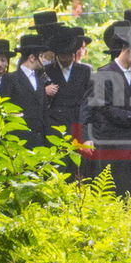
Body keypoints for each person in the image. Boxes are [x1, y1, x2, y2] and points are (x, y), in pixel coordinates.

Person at [81, 22, 131, 211]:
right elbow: (99, 109)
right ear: (127, 48)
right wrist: (86, 138)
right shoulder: (103, 74)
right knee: (114, 192)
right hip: (111, 143)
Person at [42, 23, 93, 172]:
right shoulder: (47, 71)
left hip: (78, 124)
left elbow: (89, 104)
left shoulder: (84, 71)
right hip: (55, 126)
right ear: (57, 54)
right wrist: (44, 92)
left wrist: (88, 135)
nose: (67, 58)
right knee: (58, 167)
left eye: (70, 54)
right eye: (63, 55)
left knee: (79, 169)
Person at [6, 32, 50, 148]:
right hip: (19, 142)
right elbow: (3, 110)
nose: (44, 60)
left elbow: (44, 114)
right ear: (32, 57)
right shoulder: (11, 79)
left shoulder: (40, 82)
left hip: (39, 143)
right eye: (41, 56)